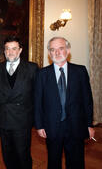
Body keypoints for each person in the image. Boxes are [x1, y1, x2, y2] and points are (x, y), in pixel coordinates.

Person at [34, 37, 95, 169]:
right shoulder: (42, 74)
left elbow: (87, 100)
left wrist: (89, 124)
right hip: (52, 127)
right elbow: (38, 102)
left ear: (67, 50)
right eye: (53, 50)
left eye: (61, 48)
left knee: (76, 162)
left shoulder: (80, 71)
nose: (57, 52)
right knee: (53, 162)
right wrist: (39, 125)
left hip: (76, 127)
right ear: (49, 53)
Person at [0, 36, 38, 169]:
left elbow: (36, 94)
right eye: (7, 49)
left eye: (14, 48)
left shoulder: (31, 68)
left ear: (20, 50)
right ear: (4, 51)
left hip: (22, 119)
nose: (10, 52)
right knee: (7, 153)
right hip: (4, 118)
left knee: (22, 153)